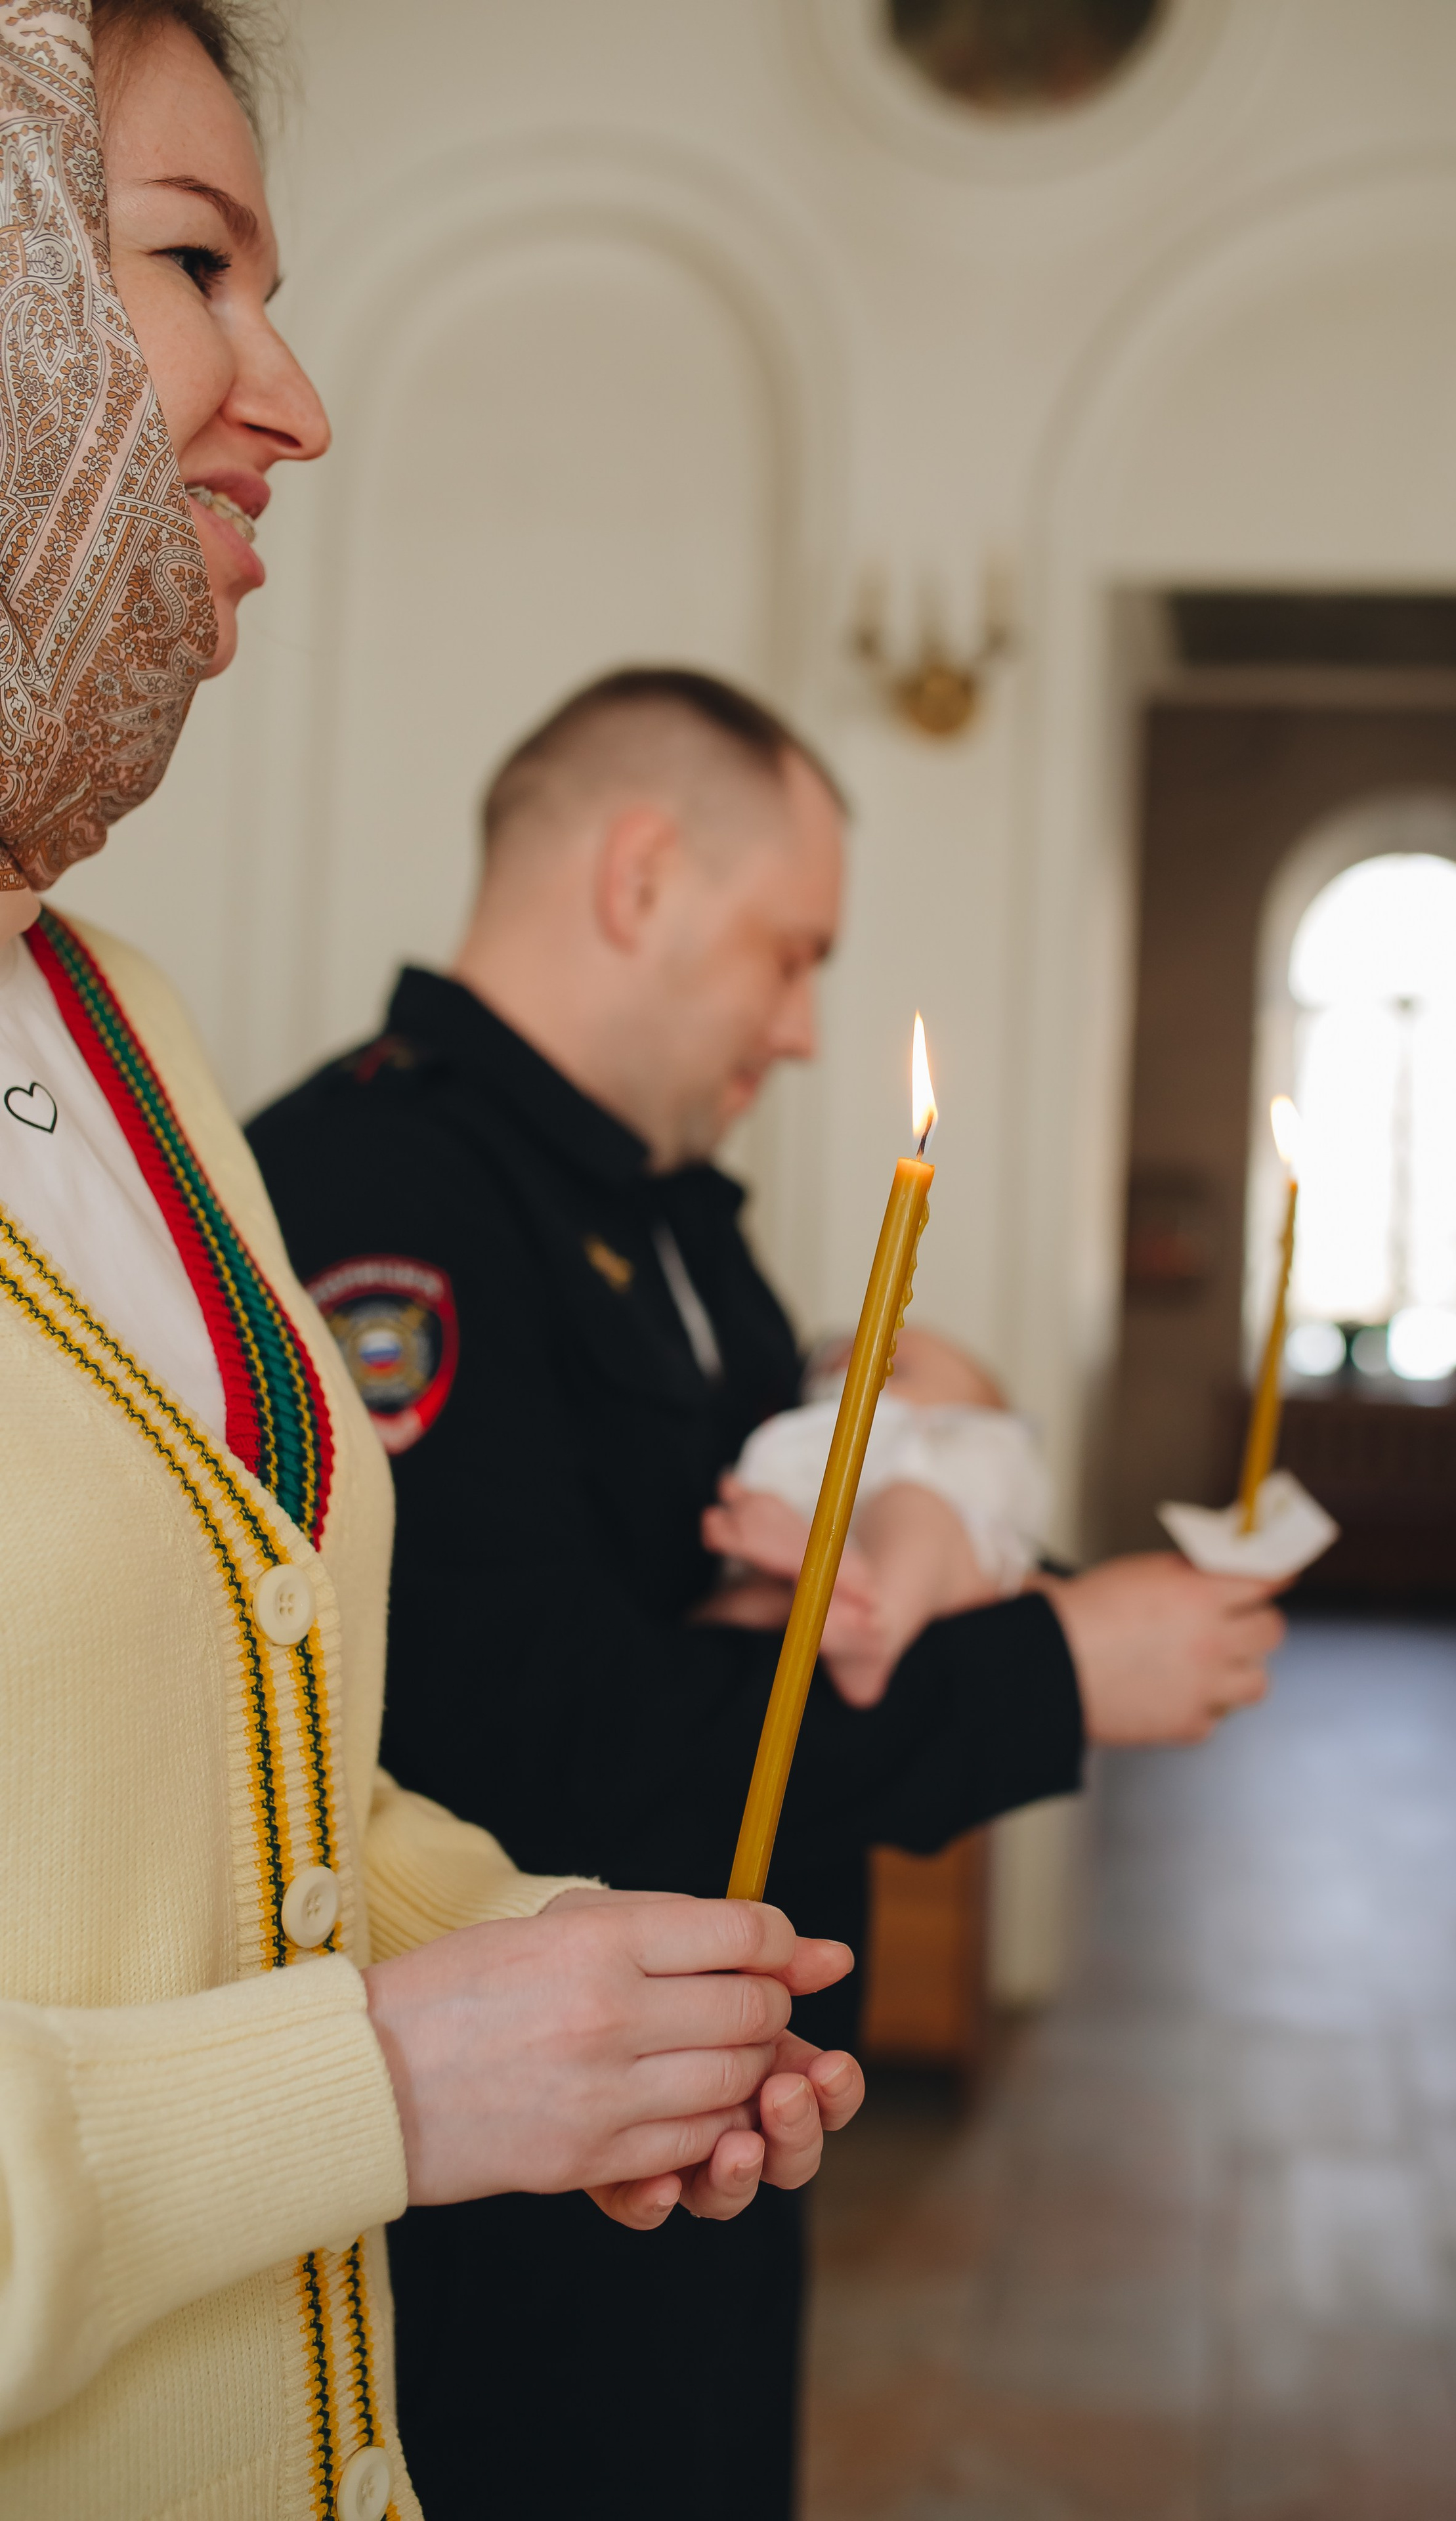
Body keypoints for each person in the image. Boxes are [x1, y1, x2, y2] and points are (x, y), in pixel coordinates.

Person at [0, 16, 861, 2518]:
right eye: (191, 264)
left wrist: (594, 1978)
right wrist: (392, 2076)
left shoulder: (113, 1012)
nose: (295, 398)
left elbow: (258, 1762)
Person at [250, 664, 1284, 2518]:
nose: (802, 1028)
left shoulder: (672, 1212)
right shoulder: (376, 1193)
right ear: (642, 877)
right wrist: (1053, 1671)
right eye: (789, 954)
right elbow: (512, 1747)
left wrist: (940, 1488)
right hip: (515, 2174)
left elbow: (762, 1578)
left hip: (719, 2107)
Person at [698, 1323, 1054, 1706]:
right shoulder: (807, 1446)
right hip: (818, 1562)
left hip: (948, 1565)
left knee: (915, 1511)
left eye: (897, 1371)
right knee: (746, 1601)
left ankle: (874, 1627)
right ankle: (814, 1599)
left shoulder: (951, 1458)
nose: (854, 1370)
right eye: (829, 1373)